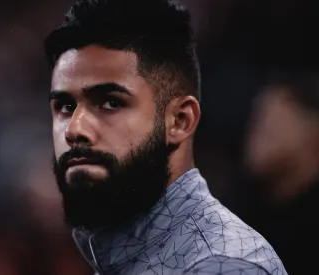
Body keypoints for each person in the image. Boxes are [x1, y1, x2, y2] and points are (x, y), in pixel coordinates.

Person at [43, 0, 287, 274]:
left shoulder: (222, 265)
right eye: (66, 106)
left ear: (180, 121)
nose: (75, 129)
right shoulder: (120, 251)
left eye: (110, 103)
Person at [239, 68, 319, 275]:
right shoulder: (243, 210)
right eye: (255, 125)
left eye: (270, 130)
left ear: (317, 135)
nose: (253, 142)